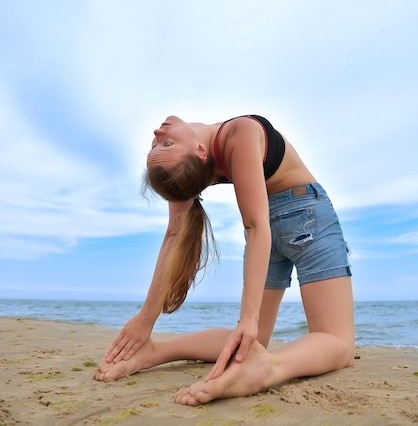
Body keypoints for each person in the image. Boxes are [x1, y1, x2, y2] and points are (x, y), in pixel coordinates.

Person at [94, 114, 354, 405]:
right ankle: (270, 368)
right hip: (302, 215)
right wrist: (146, 319)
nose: (156, 133)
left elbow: (175, 235)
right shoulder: (238, 133)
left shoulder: (191, 167)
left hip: (266, 225)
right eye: (164, 143)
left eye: (157, 146)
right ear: (200, 152)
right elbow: (252, 227)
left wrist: (147, 319)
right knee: (338, 341)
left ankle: (155, 351)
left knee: (252, 340)